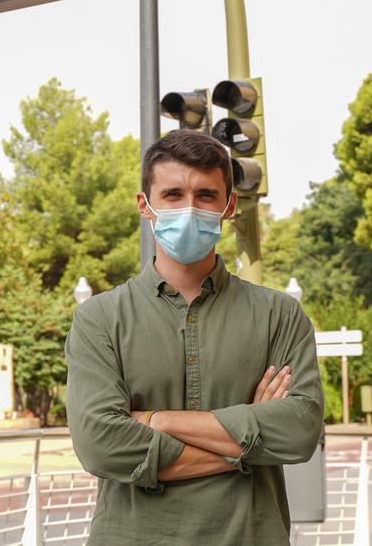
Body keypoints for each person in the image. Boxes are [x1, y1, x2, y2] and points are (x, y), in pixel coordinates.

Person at [65, 130, 324, 545]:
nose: (189, 208)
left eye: (205, 195)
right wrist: (248, 438)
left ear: (229, 206)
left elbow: (298, 432)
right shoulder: (99, 319)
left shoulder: (280, 314)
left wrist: (153, 420)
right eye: (172, 194)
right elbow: (100, 445)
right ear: (144, 206)